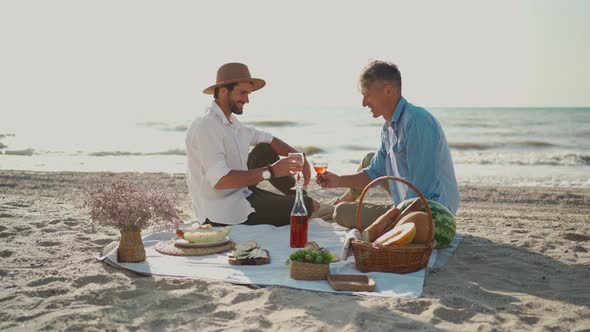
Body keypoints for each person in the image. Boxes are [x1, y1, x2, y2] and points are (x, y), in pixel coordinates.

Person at [185, 62, 333, 226]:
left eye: (248, 94)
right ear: (223, 90)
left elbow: (269, 139)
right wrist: (271, 171)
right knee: (305, 205)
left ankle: (301, 197)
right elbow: (220, 180)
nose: (247, 100)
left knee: (264, 149)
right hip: (221, 211)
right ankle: (308, 203)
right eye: (242, 93)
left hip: (242, 192)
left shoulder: (232, 123)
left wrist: (299, 156)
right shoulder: (206, 124)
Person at [317, 60, 460, 228]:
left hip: (431, 213)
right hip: (410, 204)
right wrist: (338, 180)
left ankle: (332, 208)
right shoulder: (388, 128)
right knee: (370, 161)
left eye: (367, 95)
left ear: (388, 91)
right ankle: (334, 205)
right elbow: (373, 173)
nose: (364, 103)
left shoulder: (417, 121)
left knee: (341, 213)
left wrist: (392, 219)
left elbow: (423, 191)